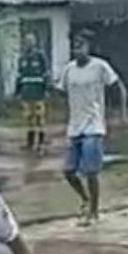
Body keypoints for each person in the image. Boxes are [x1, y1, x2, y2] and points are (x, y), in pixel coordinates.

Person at [53, 32, 121, 225]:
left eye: (81, 45)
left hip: (94, 125)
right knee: (69, 170)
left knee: (91, 171)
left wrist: (117, 114)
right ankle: (85, 198)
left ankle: (94, 210)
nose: (78, 49)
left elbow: (117, 87)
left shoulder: (100, 67)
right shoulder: (69, 70)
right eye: (75, 46)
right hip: (75, 126)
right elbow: (60, 91)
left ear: (89, 47)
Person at [15, 35, 49, 155]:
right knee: (28, 118)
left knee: (40, 118)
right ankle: (30, 142)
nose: (29, 44)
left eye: (31, 41)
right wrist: (17, 92)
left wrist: (46, 90)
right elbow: (19, 76)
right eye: (27, 41)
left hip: (38, 93)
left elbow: (46, 74)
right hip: (26, 93)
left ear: (35, 43)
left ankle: (40, 143)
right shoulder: (22, 58)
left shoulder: (40, 56)